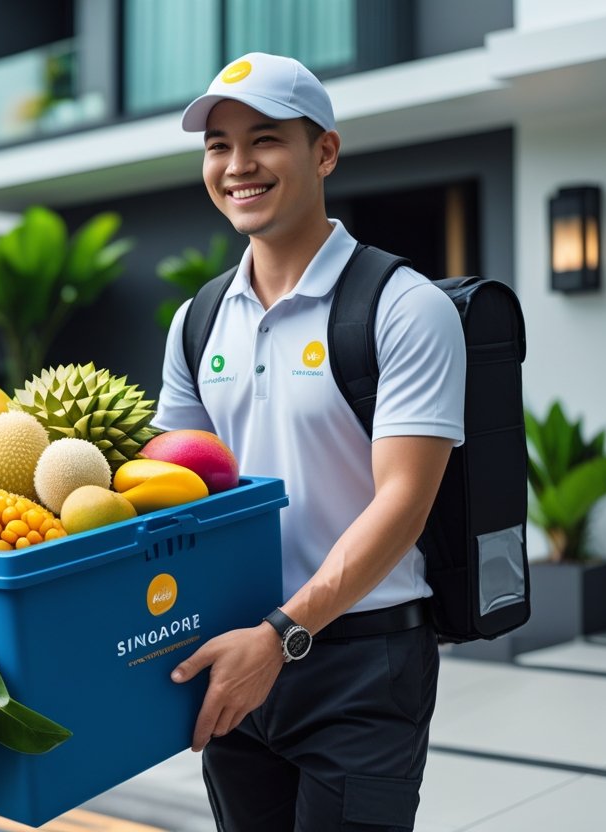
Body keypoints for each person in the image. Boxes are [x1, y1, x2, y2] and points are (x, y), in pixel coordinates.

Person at [154, 52, 467, 831]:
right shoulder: (197, 321)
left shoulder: (404, 308)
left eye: (264, 139)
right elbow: (172, 497)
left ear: (323, 150)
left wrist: (284, 633)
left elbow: (404, 501)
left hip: (364, 663)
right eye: (218, 145)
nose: (237, 166)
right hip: (237, 652)